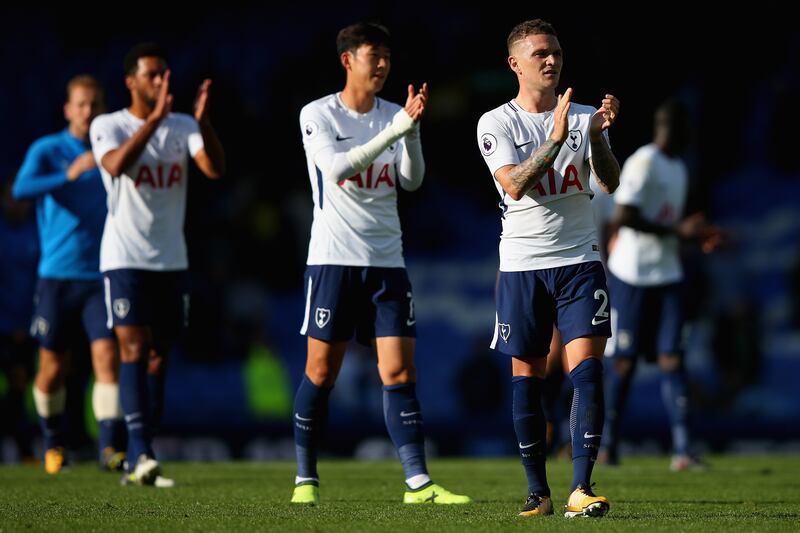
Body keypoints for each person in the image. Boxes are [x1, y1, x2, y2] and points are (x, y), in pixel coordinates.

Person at [292, 22, 469, 506]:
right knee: (322, 371)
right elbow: (337, 169)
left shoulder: (393, 114)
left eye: (388, 55)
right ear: (348, 60)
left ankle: (418, 482)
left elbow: (411, 181)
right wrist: (396, 128)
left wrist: (409, 133)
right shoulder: (318, 114)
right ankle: (306, 478)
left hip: (387, 262)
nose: (384, 64)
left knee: (399, 372)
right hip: (333, 260)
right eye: (375, 55)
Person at [477, 19, 621, 518]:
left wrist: (597, 136)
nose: (551, 60)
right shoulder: (495, 122)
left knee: (587, 373)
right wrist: (557, 138)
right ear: (515, 63)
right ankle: (538, 493)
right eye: (540, 52)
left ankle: (581, 488)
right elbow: (514, 185)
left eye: (556, 51)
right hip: (522, 266)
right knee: (528, 379)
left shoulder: (583, 116)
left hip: (580, 262)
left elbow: (609, 183)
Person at [90, 42, 225, 486]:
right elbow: (115, 165)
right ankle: (141, 452)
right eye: (152, 75)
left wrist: (202, 124)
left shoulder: (183, 125)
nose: (161, 81)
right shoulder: (108, 125)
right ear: (131, 81)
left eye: (165, 73)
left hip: (170, 260)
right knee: (131, 347)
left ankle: (140, 453)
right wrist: (152, 121)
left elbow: (213, 169)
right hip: (124, 256)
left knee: (158, 357)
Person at [12, 75, 127, 474]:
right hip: (57, 276)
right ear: (67, 109)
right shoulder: (49, 149)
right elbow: (21, 188)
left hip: (100, 274)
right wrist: (68, 174)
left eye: (94, 104)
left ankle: (110, 448)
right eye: (80, 104)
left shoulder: (112, 150)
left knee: (106, 356)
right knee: (52, 368)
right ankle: (52, 443)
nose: (87, 111)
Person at [602, 100, 721, 471]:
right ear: (675, 128)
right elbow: (624, 216)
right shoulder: (645, 162)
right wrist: (678, 231)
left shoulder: (678, 167)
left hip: (667, 272)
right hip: (632, 274)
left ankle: (683, 451)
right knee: (624, 362)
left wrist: (693, 235)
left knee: (673, 357)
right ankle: (607, 446)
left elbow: (668, 222)